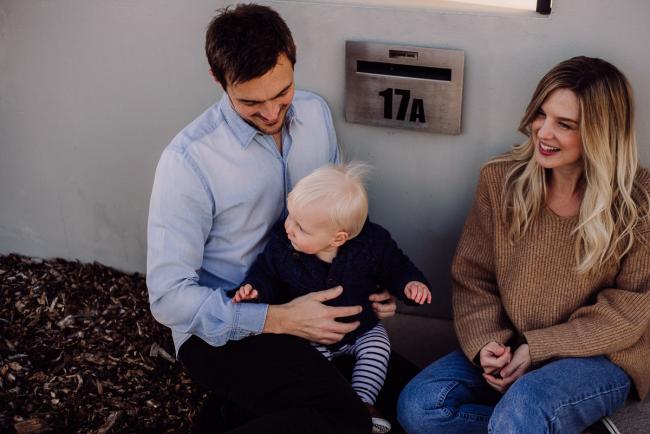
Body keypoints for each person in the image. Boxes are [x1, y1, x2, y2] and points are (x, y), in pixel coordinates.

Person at [146, 4, 397, 434]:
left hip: (312, 300)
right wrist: (277, 319)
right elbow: (168, 298)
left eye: (281, 94)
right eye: (250, 102)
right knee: (346, 418)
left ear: (293, 57)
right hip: (227, 330)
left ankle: (231, 415)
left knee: (400, 402)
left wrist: (370, 279)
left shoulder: (316, 115)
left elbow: (341, 219)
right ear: (217, 80)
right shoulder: (188, 161)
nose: (270, 113)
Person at [397, 56, 650, 433]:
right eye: (541, 115)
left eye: (564, 124)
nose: (542, 132)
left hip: (601, 356)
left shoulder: (638, 201)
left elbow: (631, 310)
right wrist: (487, 344)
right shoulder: (499, 181)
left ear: (601, 133)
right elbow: (472, 277)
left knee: (524, 406)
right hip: (512, 342)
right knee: (419, 406)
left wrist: (539, 348)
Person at [231, 162, 432, 434]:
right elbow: (266, 272)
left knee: (378, 346)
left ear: (338, 238)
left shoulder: (372, 244)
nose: (289, 227)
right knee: (304, 362)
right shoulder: (282, 244)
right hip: (308, 335)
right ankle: (333, 404)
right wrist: (254, 289)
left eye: (301, 228)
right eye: (290, 216)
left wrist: (411, 285)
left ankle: (362, 403)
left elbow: (396, 266)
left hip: (360, 329)